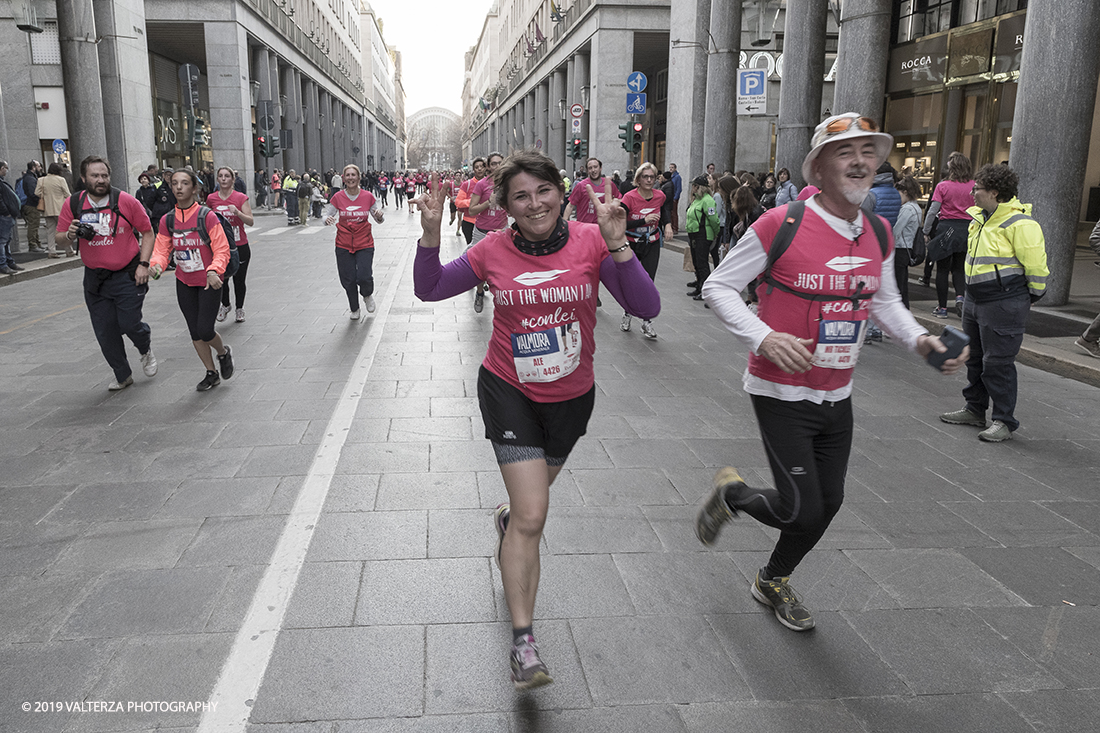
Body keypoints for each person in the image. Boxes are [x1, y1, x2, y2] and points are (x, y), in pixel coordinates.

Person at [697, 113, 967, 632]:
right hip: (780, 390)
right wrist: (764, 336)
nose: (861, 162)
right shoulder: (782, 223)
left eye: (869, 152)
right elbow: (718, 286)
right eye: (846, 153)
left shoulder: (879, 231)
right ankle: (734, 495)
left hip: (836, 391)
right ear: (818, 167)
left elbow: (886, 302)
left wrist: (921, 340)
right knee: (801, 507)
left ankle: (773, 578)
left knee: (829, 502)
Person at [412, 152, 660, 690]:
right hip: (509, 390)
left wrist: (619, 244)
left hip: (572, 399)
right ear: (506, 206)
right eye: (520, 196)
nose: (534, 203)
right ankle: (524, 643)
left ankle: (508, 520)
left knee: (527, 505)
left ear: (560, 192)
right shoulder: (492, 250)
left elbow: (647, 306)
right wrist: (430, 235)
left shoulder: (592, 242)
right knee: (533, 516)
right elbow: (429, 288)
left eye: (543, 191)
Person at [939, 164, 1048, 443]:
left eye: (978, 188)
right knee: (974, 358)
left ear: (995, 193)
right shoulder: (979, 219)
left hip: (1004, 302)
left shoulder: (1021, 224)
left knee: (997, 363)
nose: (972, 192)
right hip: (976, 300)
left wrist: (1027, 297)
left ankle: (1004, 420)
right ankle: (975, 409)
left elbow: (1036, 268)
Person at [56, 155, 158, 389]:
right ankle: (123, 375)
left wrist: (144, 264)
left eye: (104, 175)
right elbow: (60, 240)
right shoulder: (73, 204)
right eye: (95, 175)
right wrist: (70, 235)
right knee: (105, 331)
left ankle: (145, 349)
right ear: (83, 178)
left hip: (127, 273)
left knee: (130, 323)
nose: (101, 180)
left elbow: (148, 232)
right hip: (95, 279)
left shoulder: (125, 201)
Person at [148, 168, 235, 391]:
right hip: (184, 281)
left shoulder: (207, 216)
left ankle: (223, 353)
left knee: (206, 329)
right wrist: (155, 265)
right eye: (175, 183)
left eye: (185, 183)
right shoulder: (168, 220)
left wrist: (215, 270)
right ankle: (211, 372)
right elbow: (161, 248)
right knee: (194, 331)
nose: (178, 187)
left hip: (209, 281)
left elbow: (221, 248)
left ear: (194, 188)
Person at [323, 164, 384, 320]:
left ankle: (367, 294)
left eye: (353, 175)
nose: (350, 178)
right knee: (348, 279)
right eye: (347, 175)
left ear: (358, 177)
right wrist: (327, 219)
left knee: (364, 275)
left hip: (364, 242)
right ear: (344, 178)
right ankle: (354, 308)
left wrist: (379, 216)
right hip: (343, 243)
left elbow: (378, 219)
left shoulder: (368, 196)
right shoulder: (337, 198)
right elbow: (326, 215)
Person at [619, 162, 672, 338]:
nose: (649, 180)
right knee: (631, 282)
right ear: (638, 179)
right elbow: (620, 222)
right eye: (645, 177)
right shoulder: (629, 197)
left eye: (652, 177)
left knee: (648, 282)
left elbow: (664, 211)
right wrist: (644, 220)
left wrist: (668, 225)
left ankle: (646, 321)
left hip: (652, 242)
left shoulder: (660, 195)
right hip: (632, 243)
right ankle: (627, 313)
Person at [923, 151, 974, 318]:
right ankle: (960, 296)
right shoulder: (974, 186)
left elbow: (933, 211)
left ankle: (942, 308)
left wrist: (926, 230)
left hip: (947, 228)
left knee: (943, 269)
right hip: (967, 229)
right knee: (959, 268)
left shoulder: (943, 186)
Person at [208, 167, 255, 323]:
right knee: (222, 279)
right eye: (220, 176)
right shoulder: (212, 199)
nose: (223, 179)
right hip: (220, 246)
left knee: (239, 280)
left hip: (239, 245)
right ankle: (226, 304)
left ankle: (239, 308)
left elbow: (250, 221)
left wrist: (237, 213)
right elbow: (207, 220)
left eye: (227, 176)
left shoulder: (241, 198)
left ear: (233, 179)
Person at [467, 152, 507, 312]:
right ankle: (479, 292)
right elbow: (471, 209)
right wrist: (487, 204)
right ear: (488, 167)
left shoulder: (508, 183)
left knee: (502, 267)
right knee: (480, 265)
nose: (497, 166)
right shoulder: (482, 184)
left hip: (501, 232)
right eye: (494, 164)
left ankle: (501, 298)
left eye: (500, 163)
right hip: (482, 232)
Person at [685, 175, 719, 301]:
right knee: (697, 262)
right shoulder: (696, 200)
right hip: (694, 234)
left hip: (703, 234)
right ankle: (699, 287)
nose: (692, 188)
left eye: (694, 186)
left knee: (702, 263)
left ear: (700, 187)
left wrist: (715, 234)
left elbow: (714, 219)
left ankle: (706, 290)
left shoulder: (707, 200)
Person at [891, 176, 923, 309]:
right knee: (903, 284)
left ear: (905, 192)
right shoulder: (917, 208)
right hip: (908, 249)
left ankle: (899, 311)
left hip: (899, 248)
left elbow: (896, 230)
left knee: (897, 284)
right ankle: (904, 310)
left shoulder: (907, 209)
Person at [563, 157, 620, 224]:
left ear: (600, 168)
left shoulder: (609, 184)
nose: (593, 170)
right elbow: (570, 205)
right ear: (587, 171)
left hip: (602, 227)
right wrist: (564, 223)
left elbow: (619, 199)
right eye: (590, 168)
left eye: (595, 167)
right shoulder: (581, 185)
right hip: (584, 227)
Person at [36, 163, 73, 258]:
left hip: (47, 209)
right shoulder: (61, 180)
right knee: (63, 230)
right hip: (60, 208)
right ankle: (69, 250)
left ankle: (51, 251)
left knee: (50, 231)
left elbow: (36, 192)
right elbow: (67, 194)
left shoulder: (42, 180)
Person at [0, 161, 22, 274]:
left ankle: (9, 262)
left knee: (7, 240)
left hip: (7, 216)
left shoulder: (2, 181)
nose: (6, 170)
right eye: (5, 168)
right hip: (4, 216)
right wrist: (6, 212)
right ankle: (3, 264)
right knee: (2, 241)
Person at [20, 161, 44, 253]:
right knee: (33, 225)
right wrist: (38, 200)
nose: (40, 168)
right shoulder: (30, 178)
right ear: (33, 167)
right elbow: (32, 193)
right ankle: (33, 244)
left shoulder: (30, 177)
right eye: (38, 166)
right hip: (31, 205)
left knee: (35, 225)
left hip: (30, 204)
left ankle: (37, 244)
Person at [669, 162, 682, 233]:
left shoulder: (677, 177)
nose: (671, 169)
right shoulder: (671, 176)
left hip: (674, 197)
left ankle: (675, 228)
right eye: (670, 168)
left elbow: (679, 188)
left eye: (672, 167)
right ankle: (671, 226)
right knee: (670, 212)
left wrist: (675, 198)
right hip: (670, 197)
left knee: (674, 212)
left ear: (675, 168)